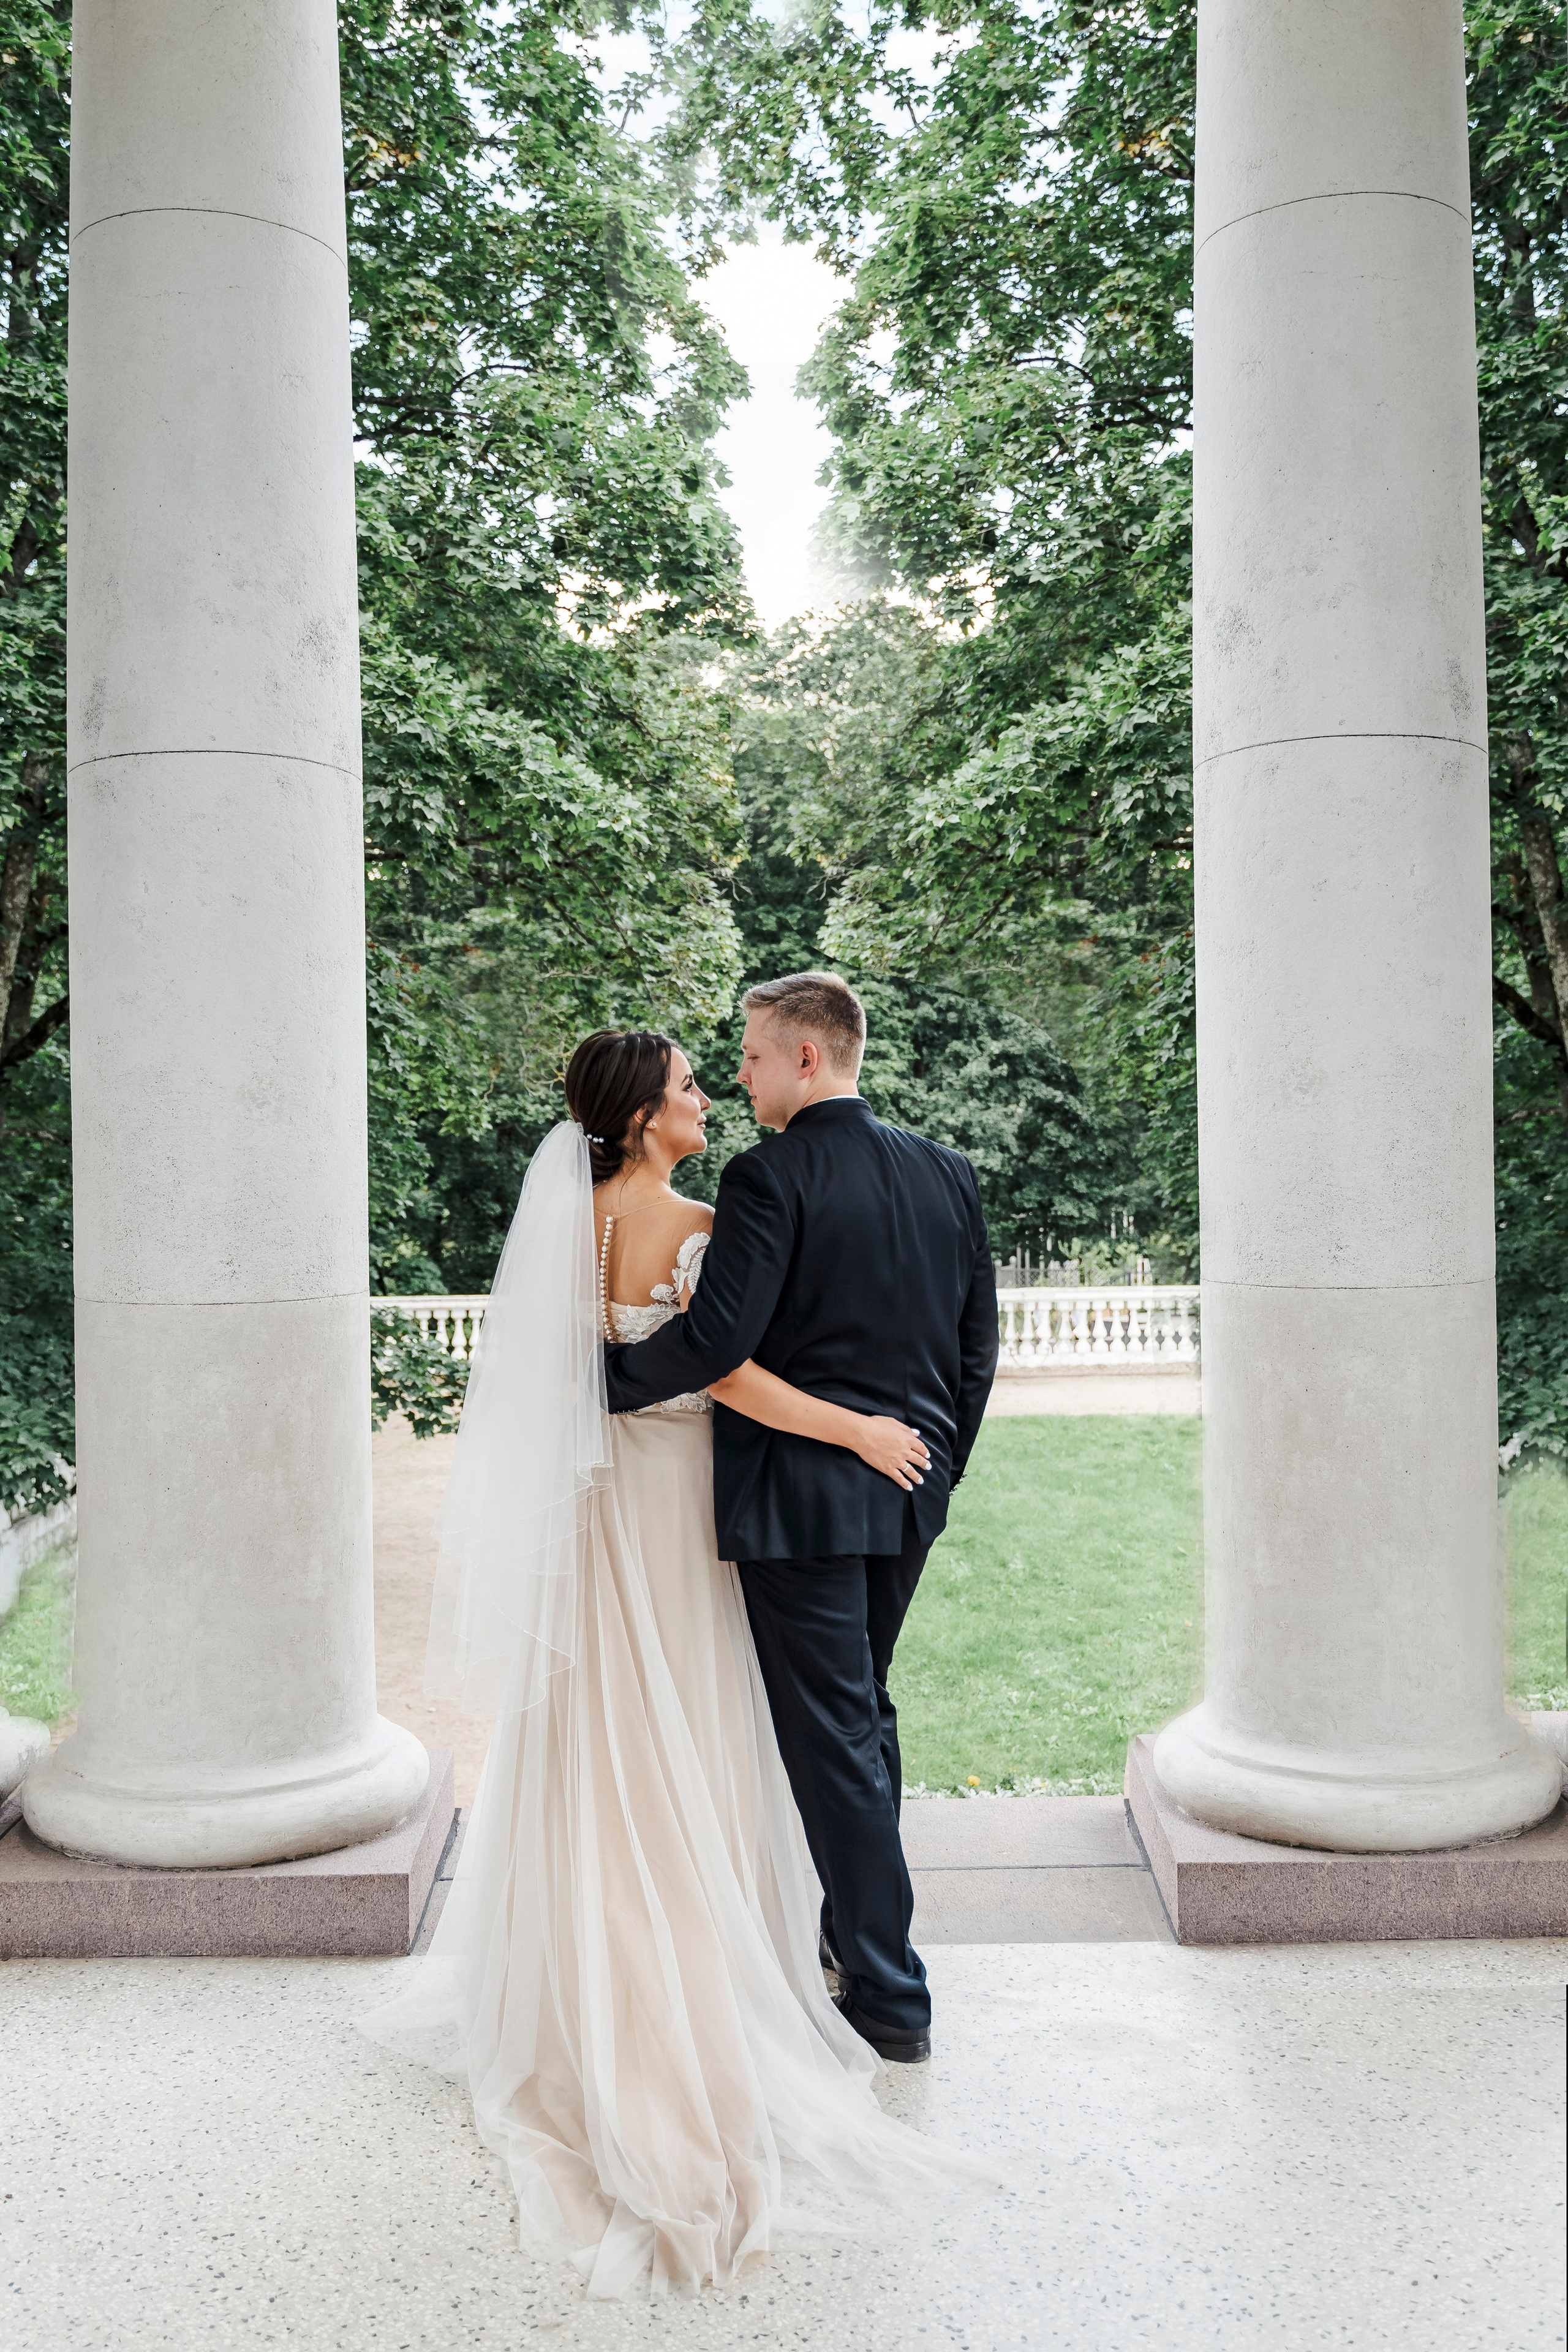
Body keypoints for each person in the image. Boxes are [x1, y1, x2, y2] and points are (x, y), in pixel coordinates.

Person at [360, 1020, 976, 2298]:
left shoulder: (566, 1226)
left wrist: (599, 1384)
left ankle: (595, 1960)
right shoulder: (712, 1212)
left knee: (598, 1731)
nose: (718, 1091)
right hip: (711, 1508)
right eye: (696, 1083)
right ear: (645, 1115)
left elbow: (608, 1371)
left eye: (733, 1066)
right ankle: (810, 1966)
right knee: (723, 1726)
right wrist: (872, 1435)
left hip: (604, 1518)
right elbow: (730, 1371)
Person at [604, 972, 998, 2067]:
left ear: (808, 1060)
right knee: (863, 1721)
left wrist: (592, 1380)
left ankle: (889, 1993)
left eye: (753, 1055)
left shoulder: (768, 1176)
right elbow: (976, 1353)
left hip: (799, 1508)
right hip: (908, 1495)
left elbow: (714, 1343)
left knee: (834, 1741)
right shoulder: (949, 1173)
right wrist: (939, 1473)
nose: (740, 1073)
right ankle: (853, 1942)